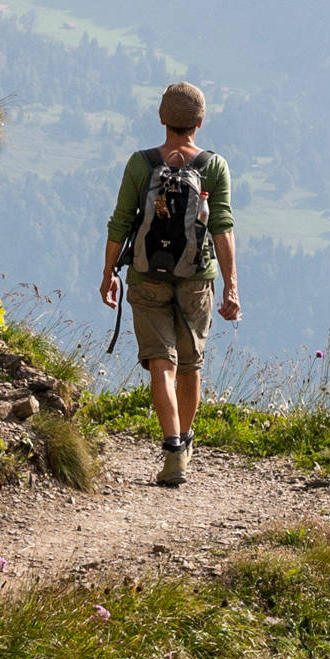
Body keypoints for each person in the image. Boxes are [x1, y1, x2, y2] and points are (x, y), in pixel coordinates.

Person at [102, 82, 240, 486]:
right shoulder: (214, 167)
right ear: (200, 121)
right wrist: (231, 287)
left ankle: (172, 452)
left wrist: (109, 272)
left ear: (163, 119)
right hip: (196, 279)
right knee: (190, 365)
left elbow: (120, 221)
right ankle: (187, 440)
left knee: (161, 364)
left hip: (146, 276)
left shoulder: (140, 163)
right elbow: (223, 227)